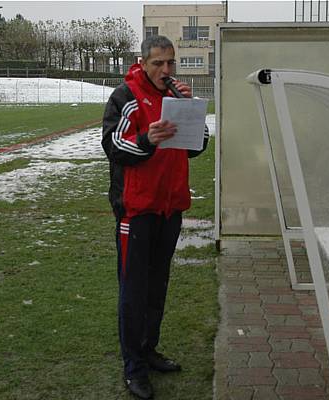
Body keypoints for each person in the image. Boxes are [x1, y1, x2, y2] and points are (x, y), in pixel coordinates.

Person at [101, 35, 209, 400]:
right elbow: (113, 147)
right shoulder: (126, 97)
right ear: (143, 62)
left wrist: (192, 109)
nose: (165, 70)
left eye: (170, 63)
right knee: (133, 290)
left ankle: (149, 350)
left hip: (170, 206)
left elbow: (198, 145)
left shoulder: (177, 95)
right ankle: (133, 366)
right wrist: (147, 138)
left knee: (157, 284)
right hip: (137, 209)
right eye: (158, 63)